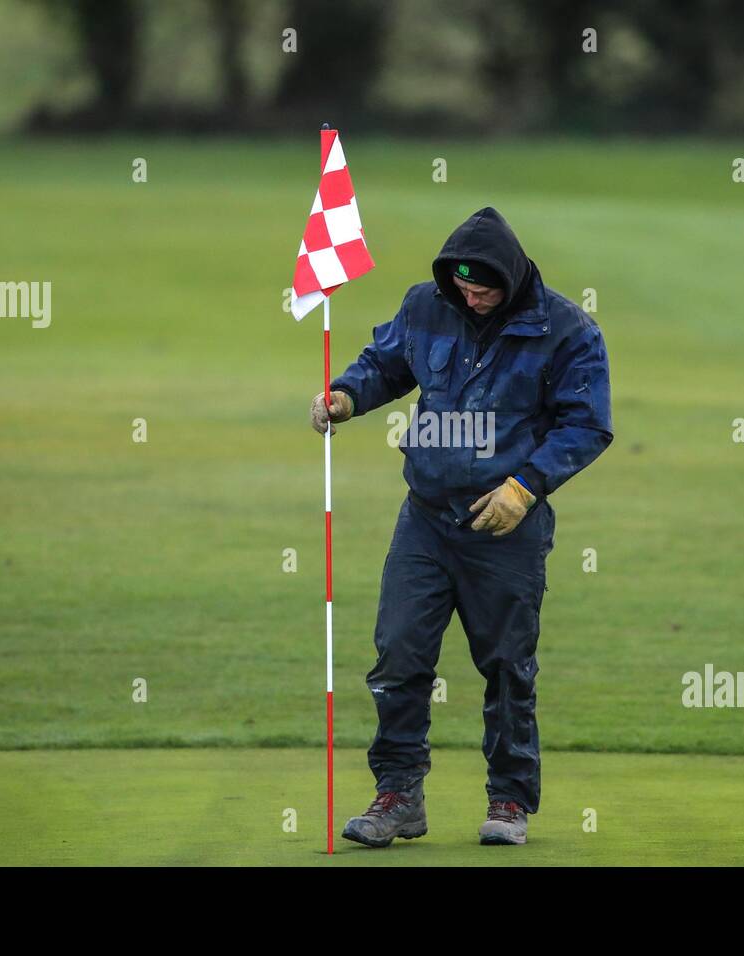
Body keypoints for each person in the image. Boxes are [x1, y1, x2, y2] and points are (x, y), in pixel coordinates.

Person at [310, 207, 613, 846]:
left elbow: (586, 423)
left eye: (484, 290)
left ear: (513, 279)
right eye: (462, 288)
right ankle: (397, 797)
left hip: (506, 528)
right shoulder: (428, 305)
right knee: (398, 653)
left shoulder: (566, 331)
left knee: (506, 665)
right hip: (424, 519)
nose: (472, 299)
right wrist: (345, 395)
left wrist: (526, 487)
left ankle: (508, 802)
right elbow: (386, 364)